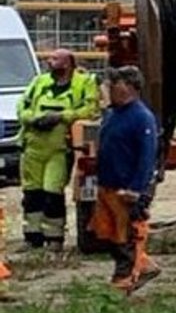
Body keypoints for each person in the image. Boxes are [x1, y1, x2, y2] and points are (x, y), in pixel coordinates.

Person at [88, 66, 161, 296]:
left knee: (126, 237)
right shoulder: (112, 114)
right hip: (108, 186)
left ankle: (123, 283)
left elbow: (147, 158)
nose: (109, 88)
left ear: (129, 87)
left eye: (114, 84)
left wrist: (136, 189)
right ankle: (144, 266)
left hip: (126, 189)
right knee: (109, 234)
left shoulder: (141, 117)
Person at [18, 48, 99, 253]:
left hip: (59, 149)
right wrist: (34, 119)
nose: (49, 61)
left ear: (68, 63)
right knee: (31, 193)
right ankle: (32, 238)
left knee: (52, 191)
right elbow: (22, 107)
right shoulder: (39, 82)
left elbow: (90, 110)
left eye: (55, 59)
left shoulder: (84, 83)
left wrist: (61, 117)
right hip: (33, 146)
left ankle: (54, 239)